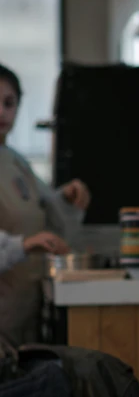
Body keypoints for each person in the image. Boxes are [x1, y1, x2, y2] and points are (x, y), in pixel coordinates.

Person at [0, 63, 91, 345]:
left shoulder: (16, 162)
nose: (2, 112)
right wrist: (24, 246)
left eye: (9, 103)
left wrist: (66, 197)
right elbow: (29, 239)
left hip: (22, 317)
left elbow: (45, 213)